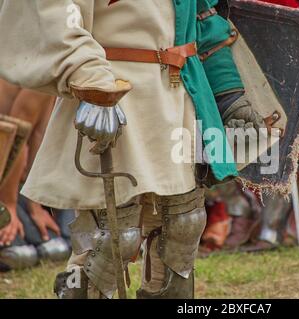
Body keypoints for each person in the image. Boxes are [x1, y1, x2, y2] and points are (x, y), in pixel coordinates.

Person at [0, 0, 266, 299]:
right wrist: (92, 82)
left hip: (178, 93)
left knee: (184, 226)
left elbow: (204, 17)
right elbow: (56, 15)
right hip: (113, 91)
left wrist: (229, 93)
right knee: (113, 237)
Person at [0, 80, 74, 271]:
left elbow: (39, 135)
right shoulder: (40, 70)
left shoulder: (52, 73)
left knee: (56, 247)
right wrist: (8, 207)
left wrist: (35, 204)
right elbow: (16, 136)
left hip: (12, 179)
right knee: (19, 256)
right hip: (5, 177)